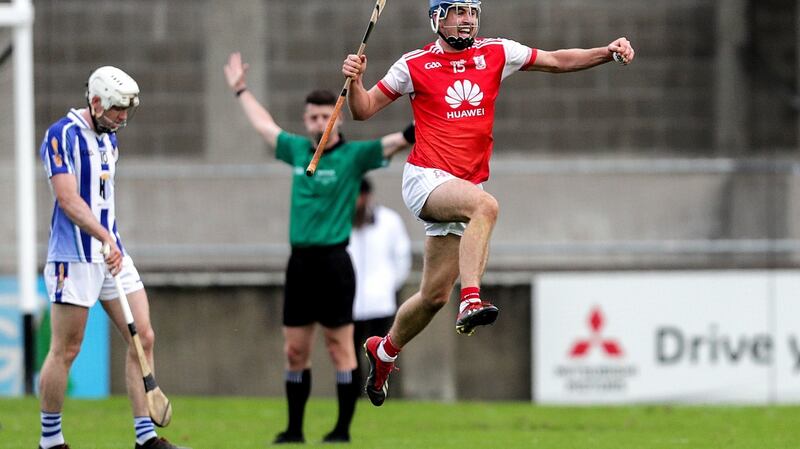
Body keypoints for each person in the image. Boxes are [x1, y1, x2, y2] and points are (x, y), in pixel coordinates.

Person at [341, 0, 636, 407]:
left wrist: (606, 51)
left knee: (432, 297)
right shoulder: (413, 65)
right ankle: (473, 299)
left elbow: (555, 60)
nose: (467, 19)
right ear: (436, 19)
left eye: (472, 12)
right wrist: (356, 81)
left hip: (464, 185)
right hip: (426, 178)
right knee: (486, 207)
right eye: (457, 12)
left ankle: (384, 350)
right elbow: (363, 111)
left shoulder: (497, 52)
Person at [224, 52, 414, 443]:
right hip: (301, 264)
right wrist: (241, 89)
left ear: (338, 117)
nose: (316, 123)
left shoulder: (353, 156)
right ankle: (294, 430)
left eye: (324, 116)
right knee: (295, 351)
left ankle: (341, 431)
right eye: (311, 117)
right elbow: (264, 126)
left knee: (340, 347)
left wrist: (429, 116)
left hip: (334, 263)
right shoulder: (297, 150)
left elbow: (399, 140)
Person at [38, 66, 188, 449]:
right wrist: (103, 236)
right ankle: (50, 440)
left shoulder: (110, 141)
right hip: (74, 257)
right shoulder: (62, 135)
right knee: (67, 348)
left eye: (128, 109)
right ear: (96, 101)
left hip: (112, 255)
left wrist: (111, 241)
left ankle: (145, 439)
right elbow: (68, 198)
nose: (123, 117)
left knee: (143, 336)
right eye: (118, 108)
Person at [348, 178, 411, 391]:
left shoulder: (389, 221)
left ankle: (380, 391)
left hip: (380, 301)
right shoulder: (341, 221)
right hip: (349, 301)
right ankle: (353, 394)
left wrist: (389, 286)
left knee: (382, 352)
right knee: (349, 352)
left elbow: (402, 256)